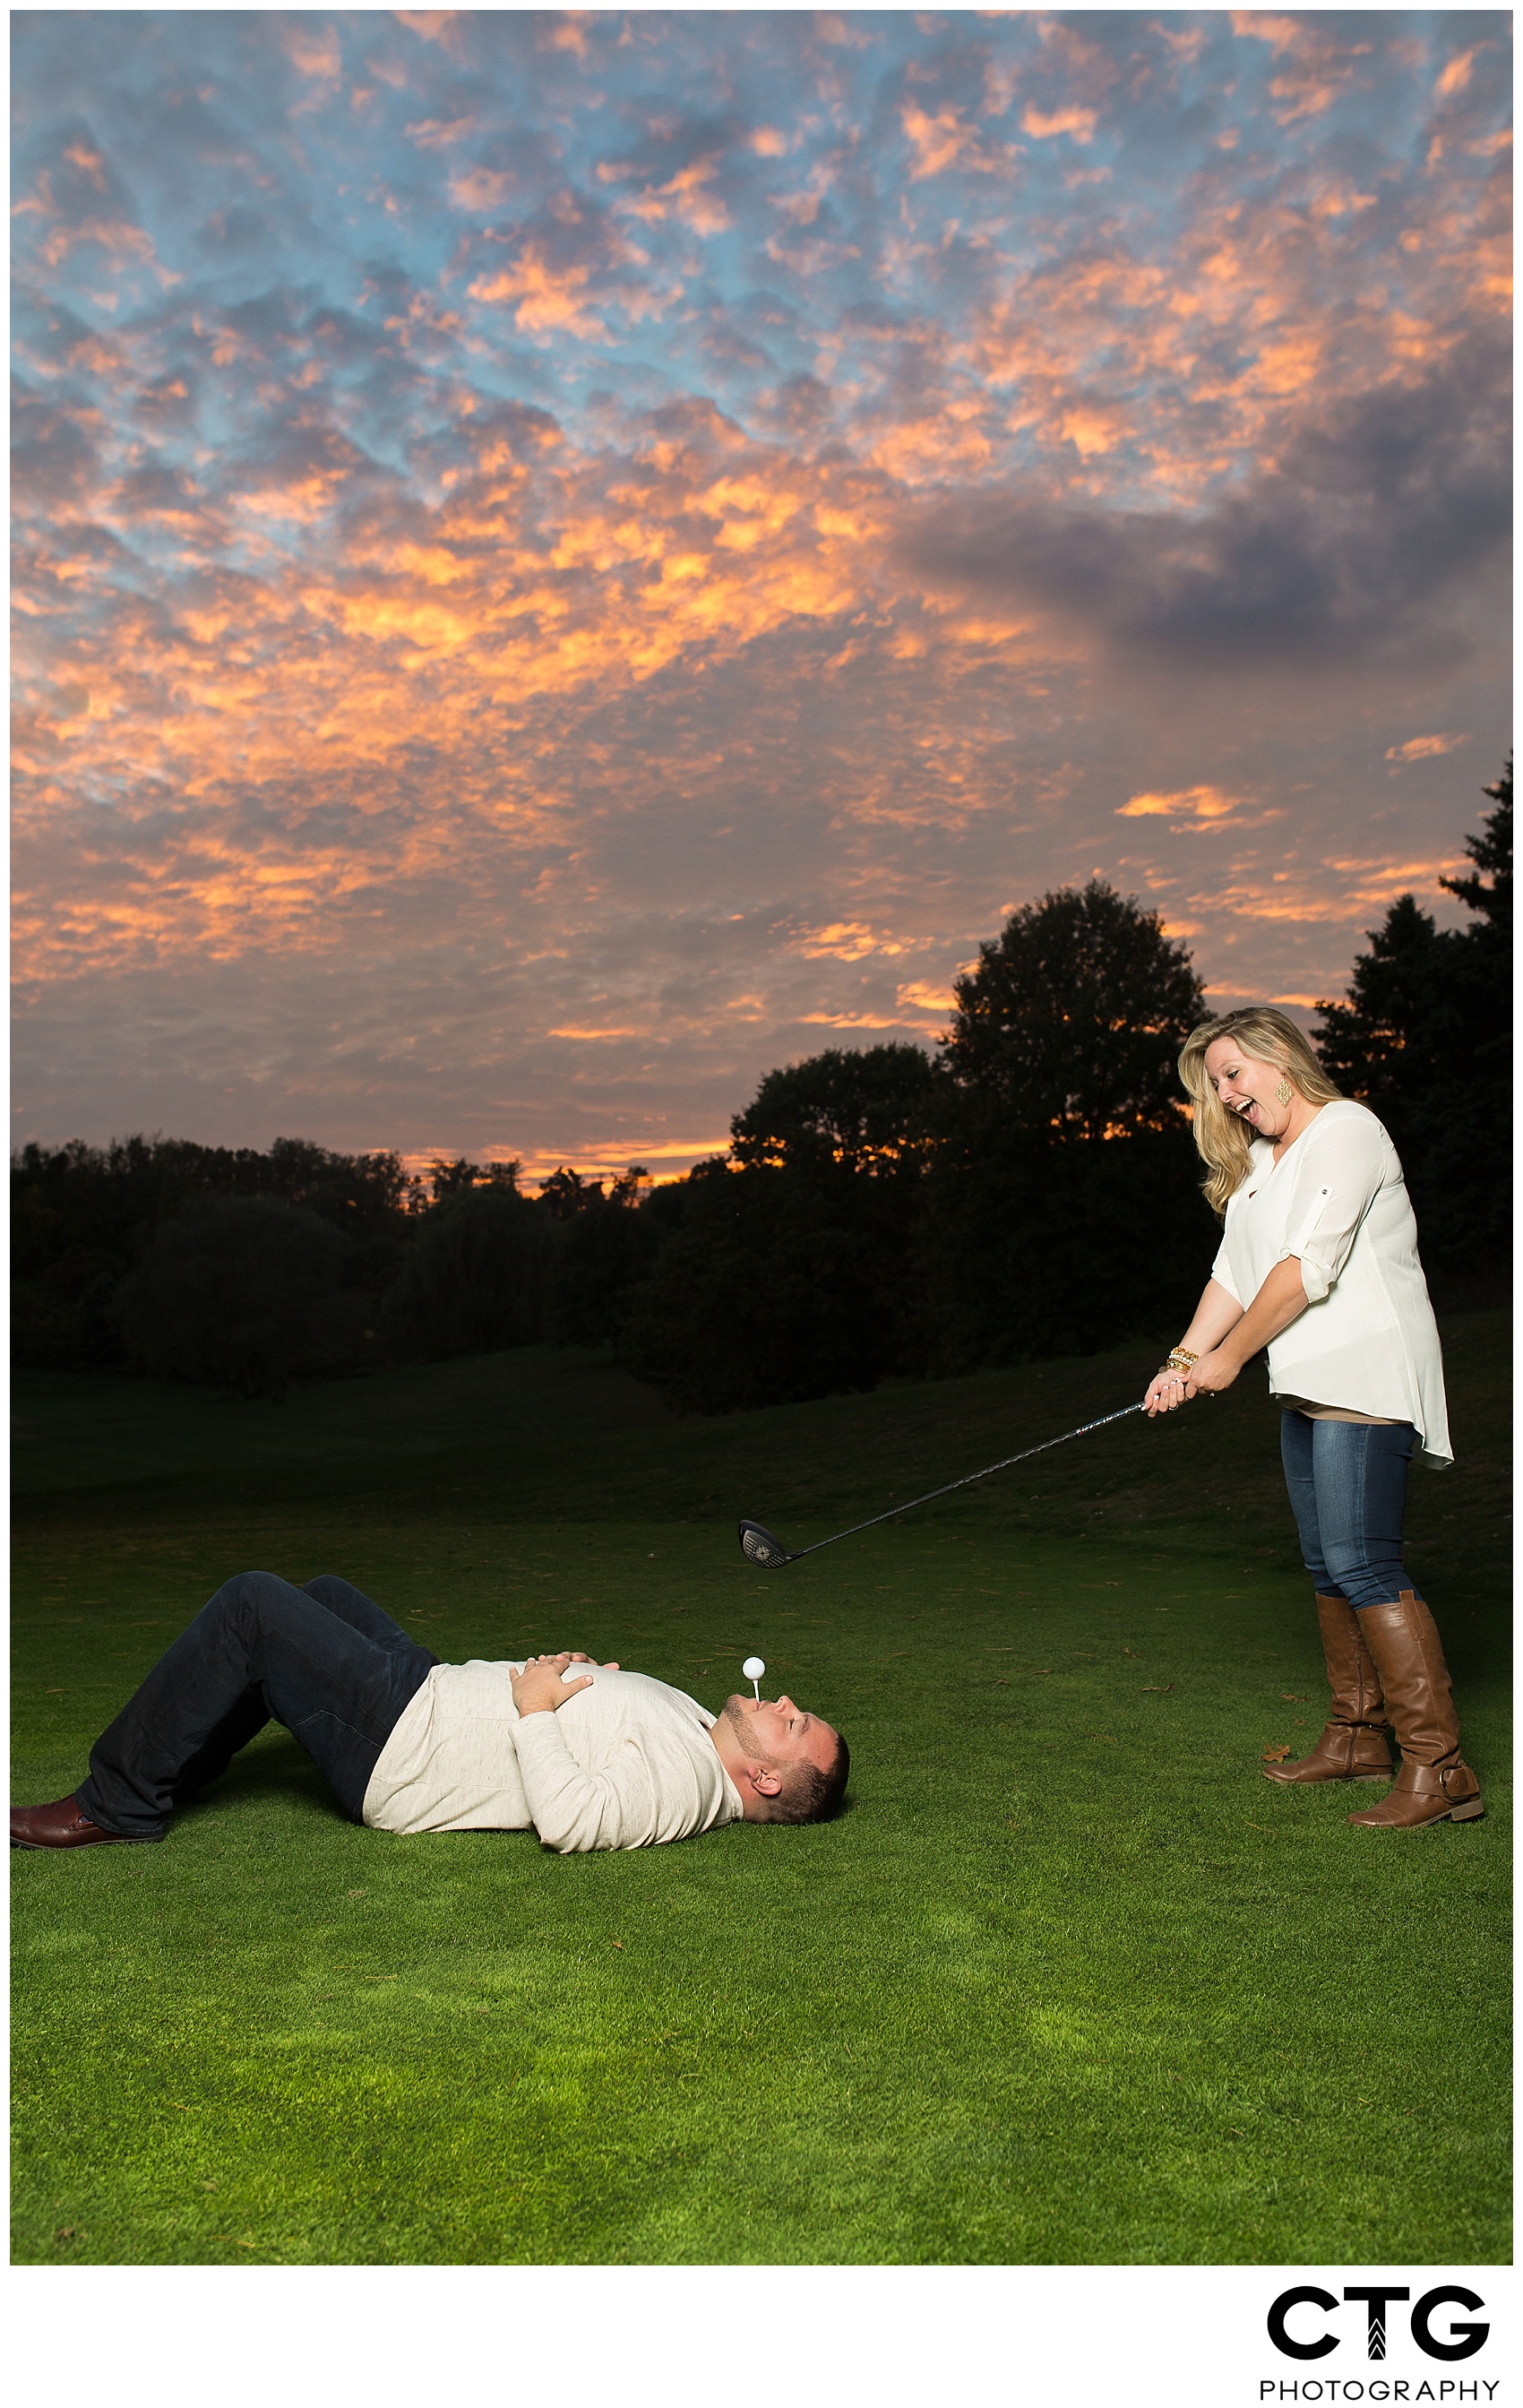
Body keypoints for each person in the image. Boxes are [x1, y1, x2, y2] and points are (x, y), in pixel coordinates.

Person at [1143, 1005, 1482, 1832]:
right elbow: (1234, 1271)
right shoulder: (1262, 1161)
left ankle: (1440, 1770)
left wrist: (1230, 1360)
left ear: (1279, 1056)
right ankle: (1358, 1735)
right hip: (1306, 1381)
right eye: (1214, 1085)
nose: (1226, 1095)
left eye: (1233, 1073)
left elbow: (1308, 1268)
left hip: (1364, 1369)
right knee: (1326, 1564)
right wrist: (1182, 1360)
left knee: (1363, 1562)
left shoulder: (1348, 1129)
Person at [9, 1571, 848, 1853]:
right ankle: (174, 1771)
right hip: (430, 1689)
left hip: (406, 1749)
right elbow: (603, 1724)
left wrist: (534, 1707)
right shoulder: (702, 1733)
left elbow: (575, 1818)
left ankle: (116, 1803)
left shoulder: (685, 1785)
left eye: (791, 1721)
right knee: (324, 1596)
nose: (782, 1702)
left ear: (767, 1777)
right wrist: (584, 1679)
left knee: (253, 1607)